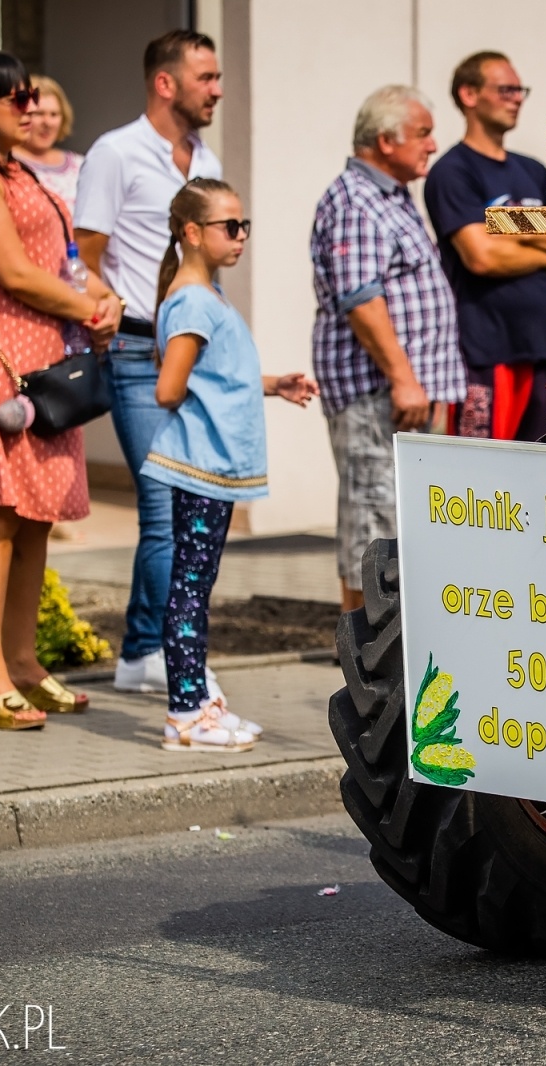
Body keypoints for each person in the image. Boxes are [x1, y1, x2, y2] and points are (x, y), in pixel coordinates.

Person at [0, 52, 122, 730]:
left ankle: (23, 662)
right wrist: (82, 308)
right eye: (15, 98)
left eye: (32, 96)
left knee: (37, 513)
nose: (30, 108)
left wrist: (99, 299)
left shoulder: (20, 170)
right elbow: (11, 272)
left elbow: (65, 263)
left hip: (44, 352)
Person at [73, 30, 223, 695]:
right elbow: (85, 252)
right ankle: (170, 652)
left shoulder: (205, 156)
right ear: (166, 83)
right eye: (206, 78)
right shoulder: (116, 152)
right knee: (164, 506)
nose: (217, 89)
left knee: (182, 503)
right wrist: (102, 308)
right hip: (135, 350)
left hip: (192, 349)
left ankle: (138, 651)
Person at [148, 178, 317, 752]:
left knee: (196, 585)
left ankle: (196, 703)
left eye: (244, 225)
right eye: (230, 226)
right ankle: (185, 714)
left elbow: (217, 376)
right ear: (192, 233)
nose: (241, 236)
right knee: (190, 590)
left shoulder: (207, 295)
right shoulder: (193, 300)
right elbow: (170, 388)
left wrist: (272, 385)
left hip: (212, 468)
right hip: (199, 465)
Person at [311, 85, 465, 612]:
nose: (432, 144)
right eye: (422, 133)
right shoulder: (357, 201)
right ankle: (366, 664)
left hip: (405, 393)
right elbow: (362, 299)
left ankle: (397, 655)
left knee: (406, 522)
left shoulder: (392, 195)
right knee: (373, 523)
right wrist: (403, 375)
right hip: (379, 393)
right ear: (384, 140)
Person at [424, 52, 546, 442]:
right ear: (469, 94)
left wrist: (504, 233)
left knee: (544, 467)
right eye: (505, 89)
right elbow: (480, 256)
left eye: (520, 90)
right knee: (480, 474)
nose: (516, 98)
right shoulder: (452, 171)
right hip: (485, 352)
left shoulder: (534, 170)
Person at [12, 75, 82, 211]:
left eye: (54, 114)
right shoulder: (6, 163)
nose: (47, 123)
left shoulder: (80, 164)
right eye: (38, 114)